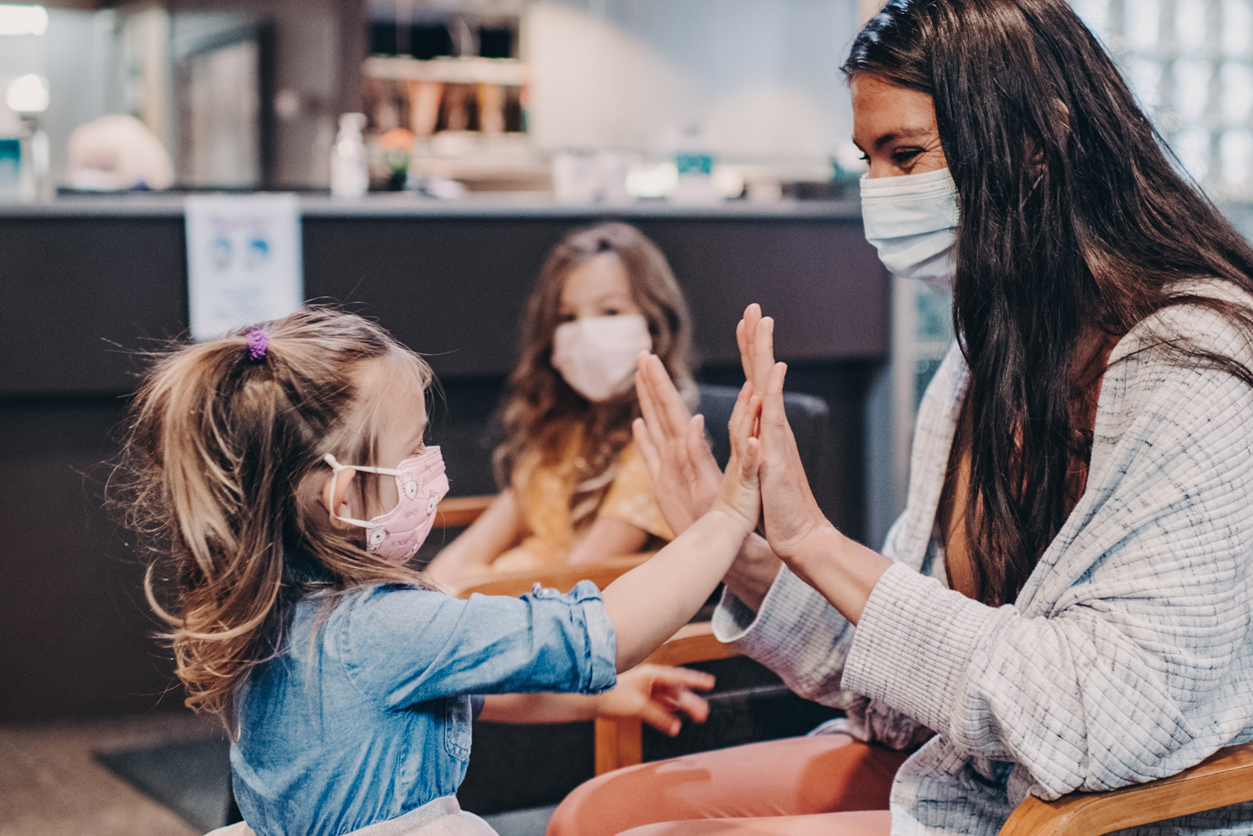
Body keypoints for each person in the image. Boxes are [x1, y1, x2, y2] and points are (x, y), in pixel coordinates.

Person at [546, 0, 1253, 834]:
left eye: (905, 156)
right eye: (867, 161)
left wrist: (815, 541)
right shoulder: (979, 366)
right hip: (980, 772)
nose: (877, 193)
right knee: (596, 814)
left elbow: (1105, 720)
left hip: (1098, 809)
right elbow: (895, 686)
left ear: (1035, 144)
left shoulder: (1197, 368)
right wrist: (744, 557)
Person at [116, 307, 765, 836]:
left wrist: (599, 696)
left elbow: (455, 694)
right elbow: (605, 632)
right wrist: (724, 520)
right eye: (413, 447)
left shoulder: (268, 610)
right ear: (343, 498)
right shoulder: (386, 626)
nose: (432, 460)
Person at [425, 223, 696, 585]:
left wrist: (460, 600)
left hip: (537, 615)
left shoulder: (657, 445)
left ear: (656, 322)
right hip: (491, 599)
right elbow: (473, 548)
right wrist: (432, 594)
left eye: (610, 311)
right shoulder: (561, 429)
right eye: (568, 318)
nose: (586, 333)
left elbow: (575, 581)